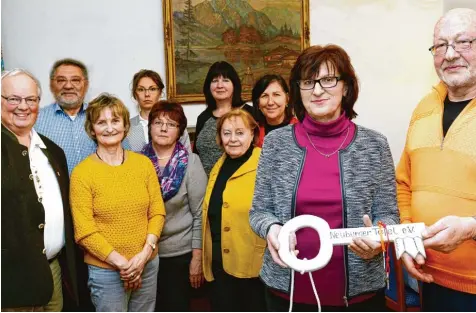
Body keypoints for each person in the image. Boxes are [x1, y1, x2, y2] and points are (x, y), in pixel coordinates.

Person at [249, 44, 400, 311]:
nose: (317, 90)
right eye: (308, 82)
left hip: (360, 297)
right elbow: (259, 211)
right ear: (298, 90)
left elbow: (388, 215)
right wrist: (272, 228)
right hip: (287, 293)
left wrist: (379, 239)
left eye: (328, 80)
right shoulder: (276, 143)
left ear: (346, 87)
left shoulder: (374, 145)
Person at [396, 8, 476, 311]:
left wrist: (471, 227)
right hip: (429, 279)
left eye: (463, 42)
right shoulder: (424, 108)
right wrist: (405, 239)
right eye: (440, 45)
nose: (450, 54)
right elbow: (403, 183)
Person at [70, 93, 166, 312]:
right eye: (101, 122)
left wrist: (142, 257)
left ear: (125, 125)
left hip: (147, 264)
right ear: (92, 129)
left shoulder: (143, 164)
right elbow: (84, 232)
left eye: (115, 121)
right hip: (106, 273)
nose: (109, 128)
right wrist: (124, 265)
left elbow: (157, 212)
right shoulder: (82, 173)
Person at [1, 69, 78, 311]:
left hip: (53, 271)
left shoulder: (53, 151)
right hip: (11, 282)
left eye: (30, 99)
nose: (22, 106)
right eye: (13, 99)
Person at [140, 100, 207, 311]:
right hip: (143, 254)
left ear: (179, 131)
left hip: (179, 255)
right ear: (149, 127)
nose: (163, 128)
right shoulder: (136, 162)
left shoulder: (191, 163)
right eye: (158, 122)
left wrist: (197, 258)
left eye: (170, 124)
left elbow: (200, 215)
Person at [202, 109, 266, 312]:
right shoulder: (219, 165)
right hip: (220, 264)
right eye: (227, 133)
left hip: (252, 266)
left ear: (252, 134)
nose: (233, 139)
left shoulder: (264, 164)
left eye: (240, 132)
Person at [34, 58, 96, 175]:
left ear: (86, 85)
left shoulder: (100, 116)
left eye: (75, 80)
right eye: (61, 80)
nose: (68, 86)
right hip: (55, 191)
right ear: (52, 85)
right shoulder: (35, 119)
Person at [193, 61, 253, 175]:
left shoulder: (249, 113)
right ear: (208, 86)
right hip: (205, 187)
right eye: (215, 81)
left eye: (225, 80)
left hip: (239, 182)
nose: (219, 85)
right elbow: (196, 155)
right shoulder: (203, 117)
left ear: (234, 85)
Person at [126, 69, 191, 152]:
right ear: (135, 94)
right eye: (141, 89)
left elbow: (188, 157)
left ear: (160, 92)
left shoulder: (175, 123)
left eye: (152, 89)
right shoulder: (127, 128)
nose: (147, 94)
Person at [251, 74, 298, 147]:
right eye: (264, 96)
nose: (270, 102)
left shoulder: (301, 130)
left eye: (276, 95)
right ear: (258, 103)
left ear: (287, 98)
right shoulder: (252, 132)